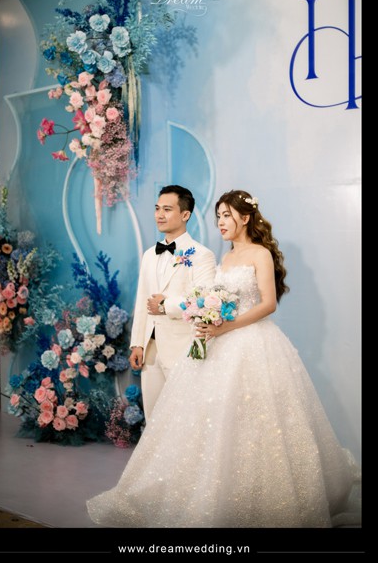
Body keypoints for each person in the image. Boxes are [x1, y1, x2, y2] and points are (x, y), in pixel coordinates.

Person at [87, 189, 361, 528]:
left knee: (262, 420)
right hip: (221, 340)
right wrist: (209, 317)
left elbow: (268, 304)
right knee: (216, 423)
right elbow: (209, 298)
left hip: (254, 343)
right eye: (218, 216)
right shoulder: (227, 257)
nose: (220, 222)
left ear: (245, 218)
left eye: (227, 215)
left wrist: (226, 325)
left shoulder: (259, 253)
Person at [129, 184, 216, 419]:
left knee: (183, 418)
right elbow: (142, 300)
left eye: (167, 209)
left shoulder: (202, 254)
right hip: (150, 349)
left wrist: (165, 305)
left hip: (183, 346)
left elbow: (203, 300)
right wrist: (137, 343)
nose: (159, 214)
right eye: (157, 208)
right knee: (153, 417)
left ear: (185, 215)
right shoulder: (149, 254)